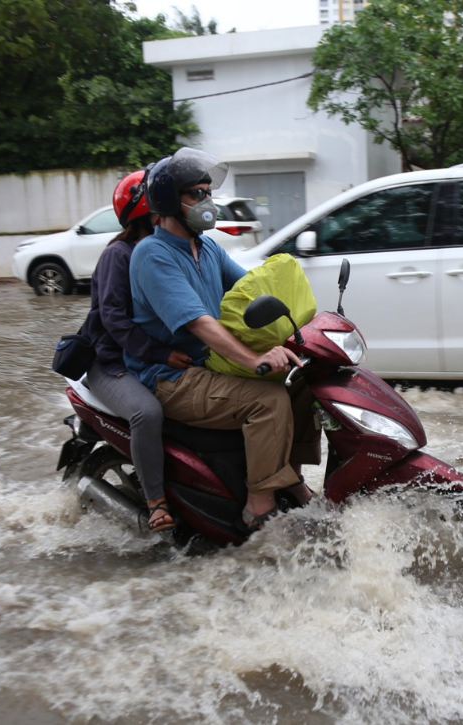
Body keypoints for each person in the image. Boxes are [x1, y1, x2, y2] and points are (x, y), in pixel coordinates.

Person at [125, 148, 318, 530]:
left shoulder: (207, 246)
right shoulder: (153, 254)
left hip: (212, 363)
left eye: (207, 193)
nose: (206, 202)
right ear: (168, 202)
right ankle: (258, 504)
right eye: (196, 194)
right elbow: (198, 323)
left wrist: (299, 325)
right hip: (173, 377)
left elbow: (251, 288)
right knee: (267, 400)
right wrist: (252, 360)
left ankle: (290, 477)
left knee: (303, 384)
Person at [80, 169, 192, 534]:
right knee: (147, 413)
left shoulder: (169, 250)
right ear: (150, 209)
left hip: (150, 357)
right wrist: (158, 353)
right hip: (111, 364)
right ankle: (156, 500)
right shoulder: (119, 255)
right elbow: (113, 318)